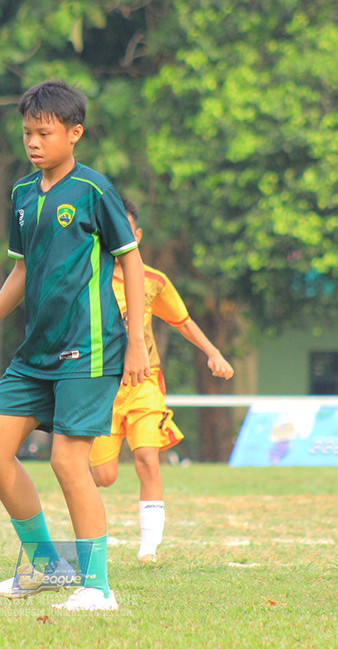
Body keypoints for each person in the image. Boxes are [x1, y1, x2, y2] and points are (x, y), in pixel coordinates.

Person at [0, 80, 149, 612]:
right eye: (27, 133)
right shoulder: (20, 195)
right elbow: (21, 271)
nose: (33, 143)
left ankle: (98, 588)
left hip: (88, 350)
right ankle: (45, 567)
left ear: (74, 133)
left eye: (44, 132)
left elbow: (130, 259)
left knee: (67, 462)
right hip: (35, 354)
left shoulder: (94, 191)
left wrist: (136, 343)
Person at [89, 197, 234, 563]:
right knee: (103, 476)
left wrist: (213, 352)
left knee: (148, 461)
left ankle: (148, 548)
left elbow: (181, 320)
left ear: (136, 235)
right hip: (100, 388)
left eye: (125, 230)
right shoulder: (89, 277)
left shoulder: (154, 281)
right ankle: (83, 511)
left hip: (144, 383)